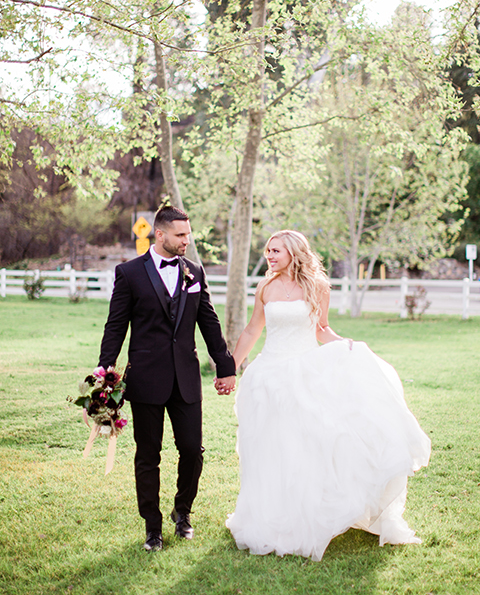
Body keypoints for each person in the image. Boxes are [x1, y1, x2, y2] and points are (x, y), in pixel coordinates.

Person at [224, 230, 431, 561]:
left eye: (276, 250)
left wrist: (346, 345)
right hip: (269, 376)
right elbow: (253, 330)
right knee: (270, 446)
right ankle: (272, 513)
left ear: (294, 252)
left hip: (307, 373)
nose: (270, 256)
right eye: (267, 251)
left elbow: (321, 329)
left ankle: (310, 511)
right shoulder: (265, 286)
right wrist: (230, 367)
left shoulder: (317, 286)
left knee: (309, 444)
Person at [98, 205, 236, 552]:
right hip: (145, 378)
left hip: (186, 378)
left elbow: (209, 322)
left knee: (193, 449)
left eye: (188, 234)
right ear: (159, 235)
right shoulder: (129, 273)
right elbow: (116, 326)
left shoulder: (194, 271)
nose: (186, 241)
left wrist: (225, 365)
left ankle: (182, 511)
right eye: (180, 235)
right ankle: (152, 527)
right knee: (148, 454)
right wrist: (104, 372)